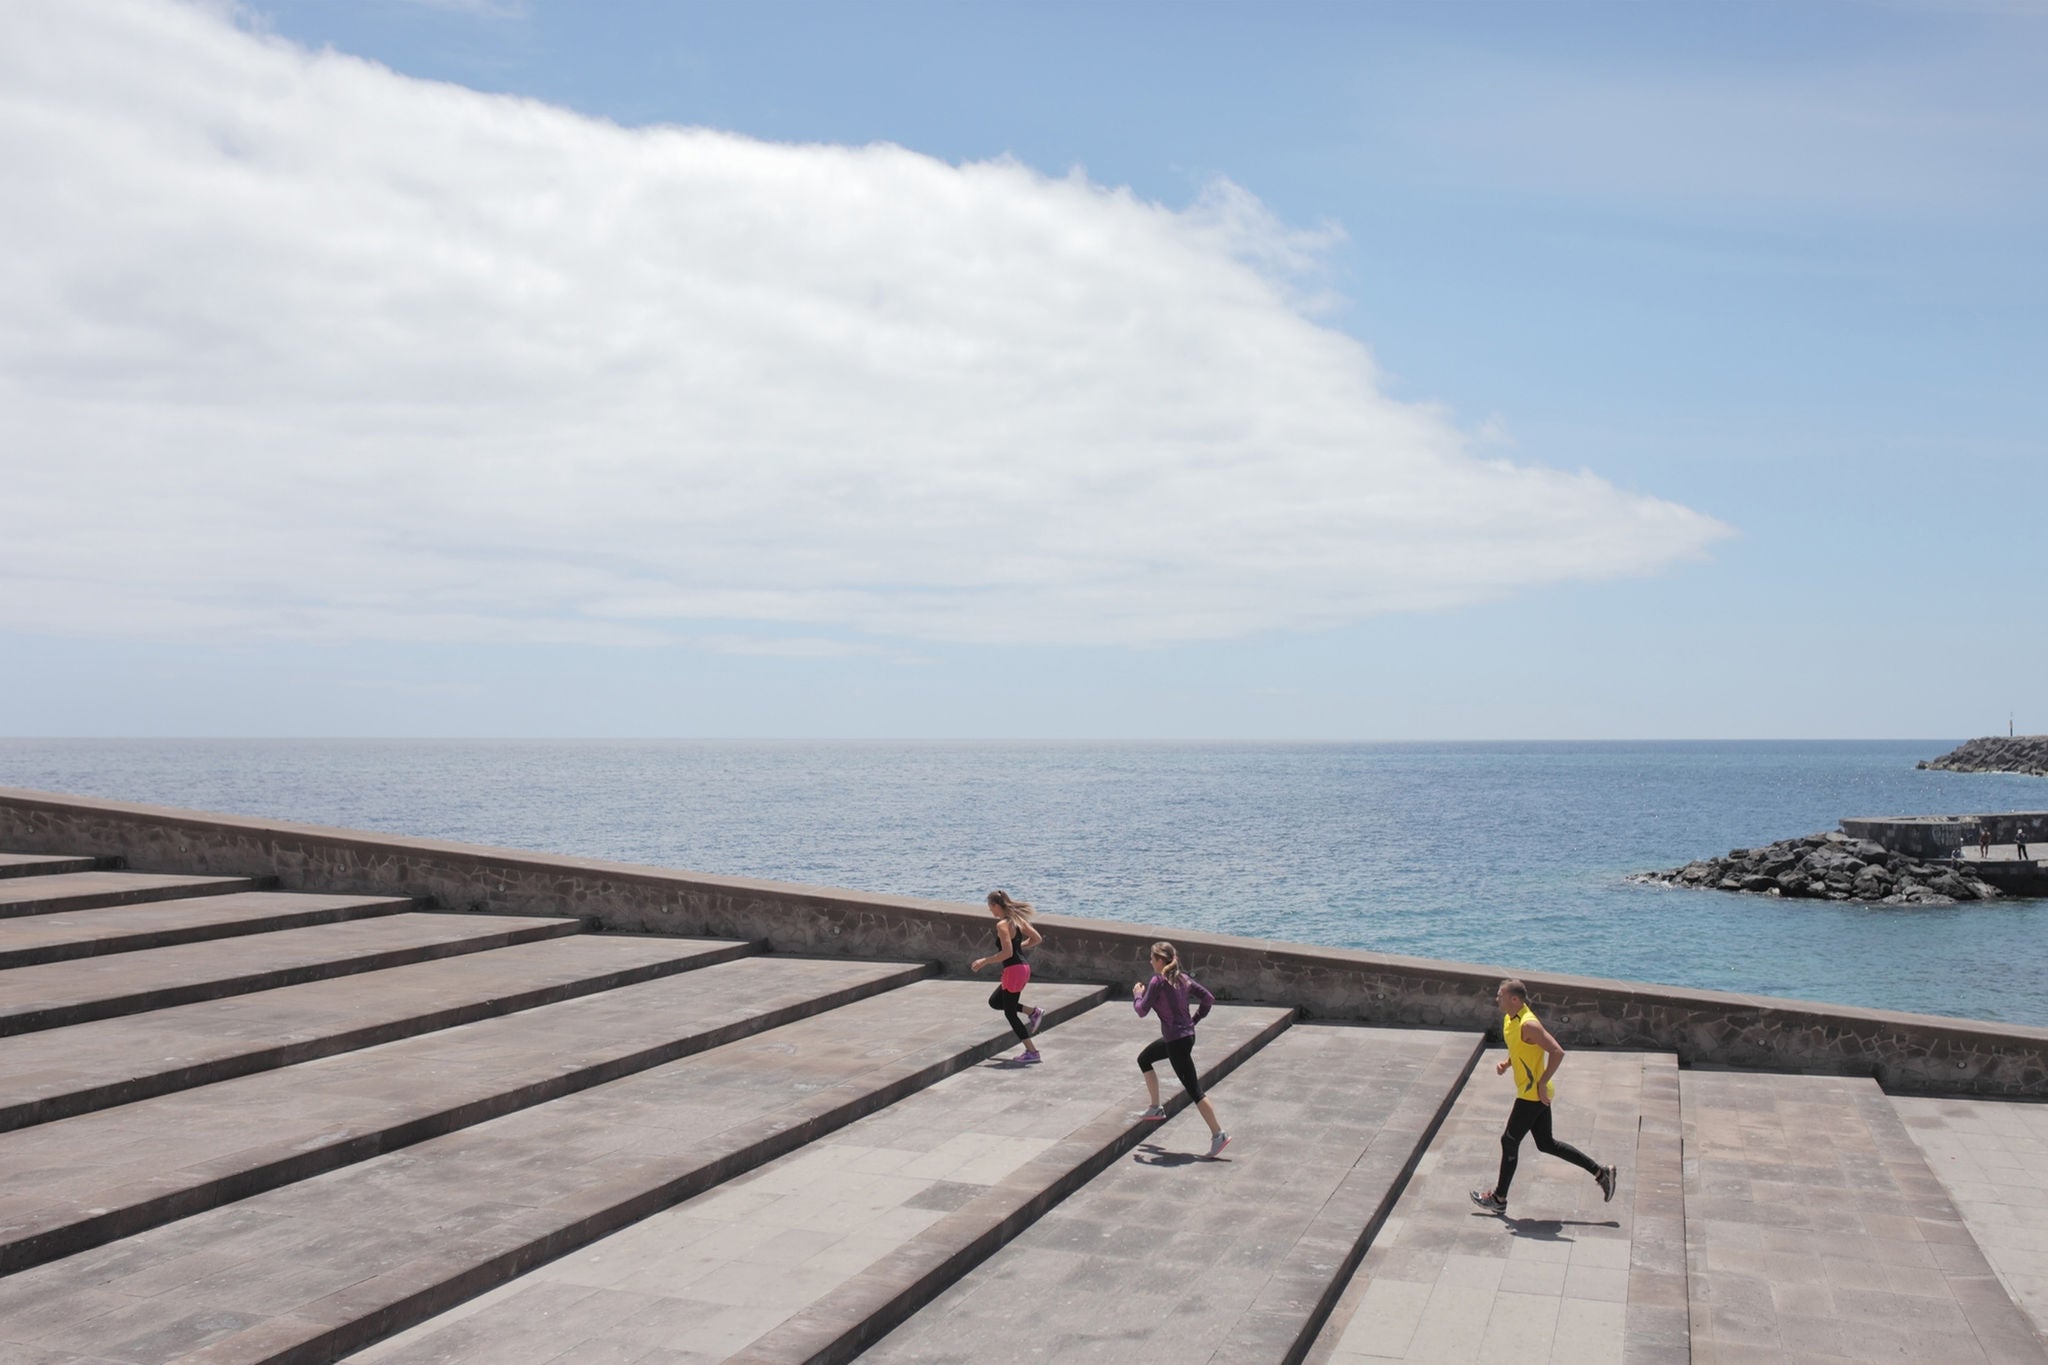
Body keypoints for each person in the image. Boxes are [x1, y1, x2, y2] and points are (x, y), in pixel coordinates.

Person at [1470, 978, 1616, 1214]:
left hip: (1531, 1095)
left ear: (1514, 999)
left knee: (1509, 1141)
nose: (1497, 998)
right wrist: (1507, 1063)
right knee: (1547, 1144)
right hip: (1530, 1092)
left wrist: (1542, 1083)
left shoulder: (1529, 1024)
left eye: (1500, 995)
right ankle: (1601, 1173)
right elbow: (1522, 1048)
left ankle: (1499, 1198)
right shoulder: (1510, 1018)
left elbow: (1557, 1052)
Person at [1132, 941, 1229, 1157]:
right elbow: (1208, 998)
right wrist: (1194, 1019)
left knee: (1194, 1090)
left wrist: (1138, 994)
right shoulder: (1182, 978)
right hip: (1185, 1037)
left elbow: (1141, 1010)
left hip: (1176, 1042)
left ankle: (1218, 1134)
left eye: (1151, 958)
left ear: (1159, 961)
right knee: (1144, 1058)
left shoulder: (1157, 981)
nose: (1149, 961)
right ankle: (1156, 1107)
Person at [970, 890, 1043, 1062]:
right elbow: (1037, 939)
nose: (990, 911)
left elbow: (1007, 953)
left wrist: (984, 961)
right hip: (1022, 968)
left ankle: (1032, 1052)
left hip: (1014, 970)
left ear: (996, 905)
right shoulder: (1017, 921)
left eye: (990, 907)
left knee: (1010, 1013)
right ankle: (1032, 1012)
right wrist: (1019, 948)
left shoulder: (1002, 925)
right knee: (996, 1002)